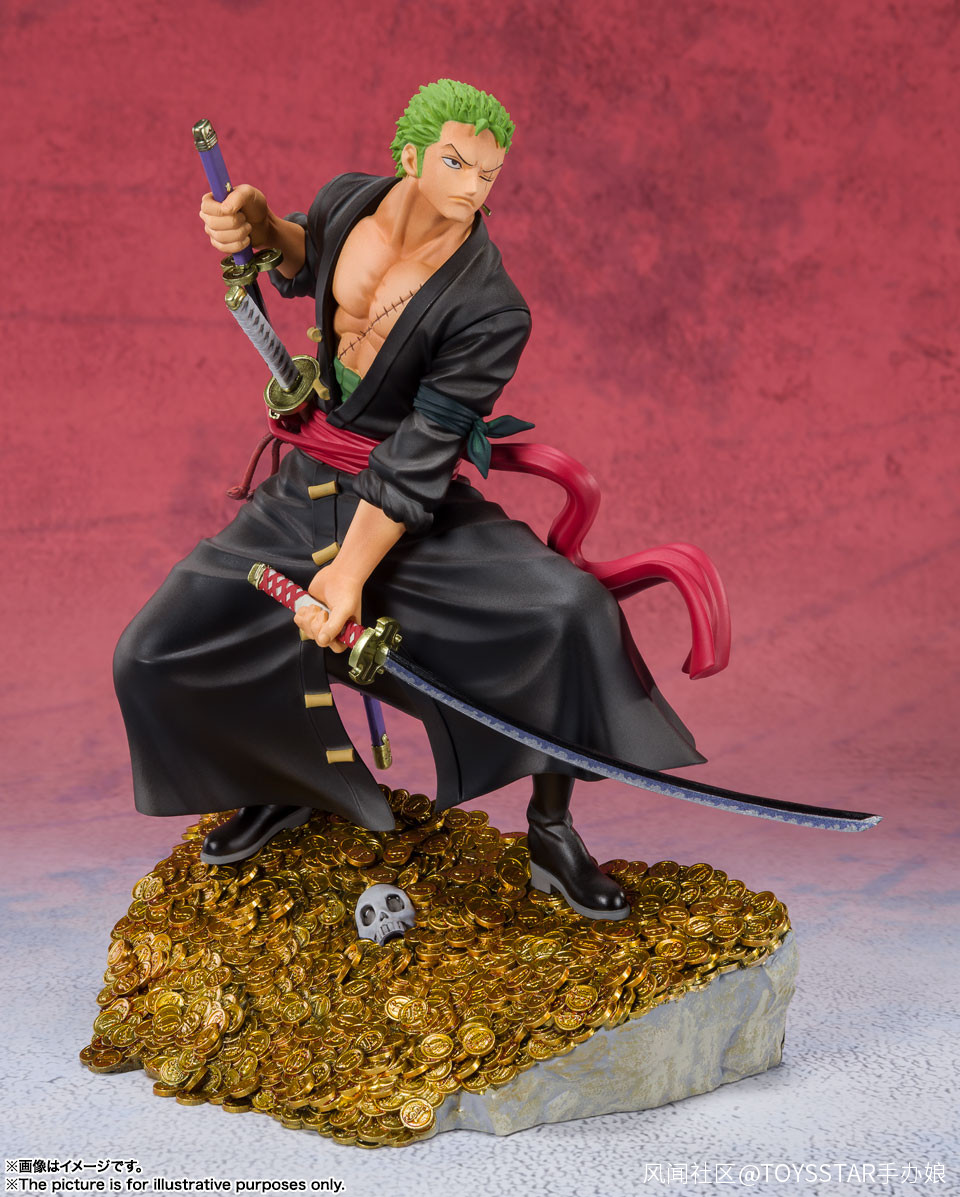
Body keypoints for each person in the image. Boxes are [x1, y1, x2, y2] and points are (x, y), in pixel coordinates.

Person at [114, 80, 707, 922]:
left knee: (567, 613)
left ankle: (551, 832)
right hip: (308, 482)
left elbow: (422, 452)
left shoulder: (490, 305)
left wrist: (349, 573)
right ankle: (282, 781)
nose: (473, 187)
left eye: (489, 174)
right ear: (411, 157)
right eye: (457, 164)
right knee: (151, 652)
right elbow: (308, 263)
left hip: (406, 496)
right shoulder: (349, 200)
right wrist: (263, 226)